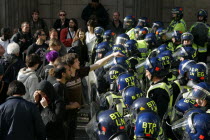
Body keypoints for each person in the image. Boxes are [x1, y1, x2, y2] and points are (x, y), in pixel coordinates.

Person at [65, 51, 124, 139]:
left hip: (75, 110)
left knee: (71, 134)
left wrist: (112, 55)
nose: (79, 62)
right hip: (66, 111)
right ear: (71, 63)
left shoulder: (79, 72)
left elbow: (97, 64)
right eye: (76, 61)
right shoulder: (65, 76)